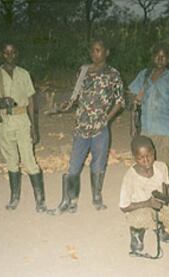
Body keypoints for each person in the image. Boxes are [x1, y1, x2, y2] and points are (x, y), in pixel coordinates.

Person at [48, 39, 125, 215]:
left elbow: (120, 102)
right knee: (74, 164)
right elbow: (75, 98)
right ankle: (71, 201)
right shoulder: (82, 71)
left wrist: (106, 119)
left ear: (107, 52)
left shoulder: (113, 74)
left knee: (98, 163)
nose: (94, 53)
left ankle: (97, 198)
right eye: (92, 50)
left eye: (98, 50)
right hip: (81, 126)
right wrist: (65, 106)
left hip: (100, 127)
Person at [0, 40, 46, 212]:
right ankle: (14, 197)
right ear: (1, 54)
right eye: (6, 52)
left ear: (18, 53)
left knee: (29, 160)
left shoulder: (24, 74)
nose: (10, 56)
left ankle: (40, 200)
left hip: (22, 119)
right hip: (3, 121)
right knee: (11, 160)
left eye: (13, 52)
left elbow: (31, 101)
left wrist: (34, 127)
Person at [119, 135, 169, 257]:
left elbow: (165, 186)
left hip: (158, 205)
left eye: (149, 155)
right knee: (140, 218)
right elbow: (124, 207)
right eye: (141, 158)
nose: (146, 160)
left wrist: (165, 201)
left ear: (154, 152)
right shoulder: (129, 177)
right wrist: (147, 203)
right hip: (140, 208)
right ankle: (137, 232)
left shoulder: (161, 166)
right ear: (134, 158)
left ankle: (158, 226)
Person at [129, 43, 169, 176]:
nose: (160, 59)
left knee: (163, 165)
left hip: (164, 129)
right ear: (152, 57)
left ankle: (163, 193)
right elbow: (134, 102)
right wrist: (133, 126)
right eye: (157, 56)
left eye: (164, 56)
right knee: (145, 164)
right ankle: (148, 193)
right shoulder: (144, 75)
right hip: (146, 129)